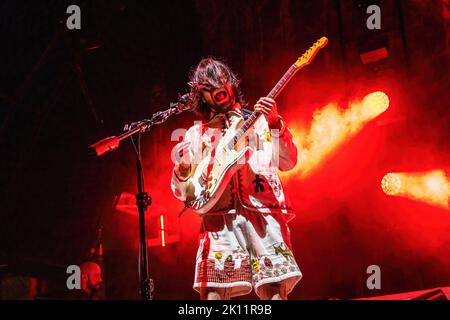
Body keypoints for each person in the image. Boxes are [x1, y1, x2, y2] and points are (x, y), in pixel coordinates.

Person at [171, 58, 301, 300]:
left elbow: (288, 161)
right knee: (213, 293)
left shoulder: (261, 121)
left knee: (273, 290)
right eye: (210, 86)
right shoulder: (195, 135)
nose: (219, 88)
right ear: (201, 93)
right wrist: (184, 169)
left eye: (223, 81)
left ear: (230, 83)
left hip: (263, 214)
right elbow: (184, 193)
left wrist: (276, 124)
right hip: (218, 220)